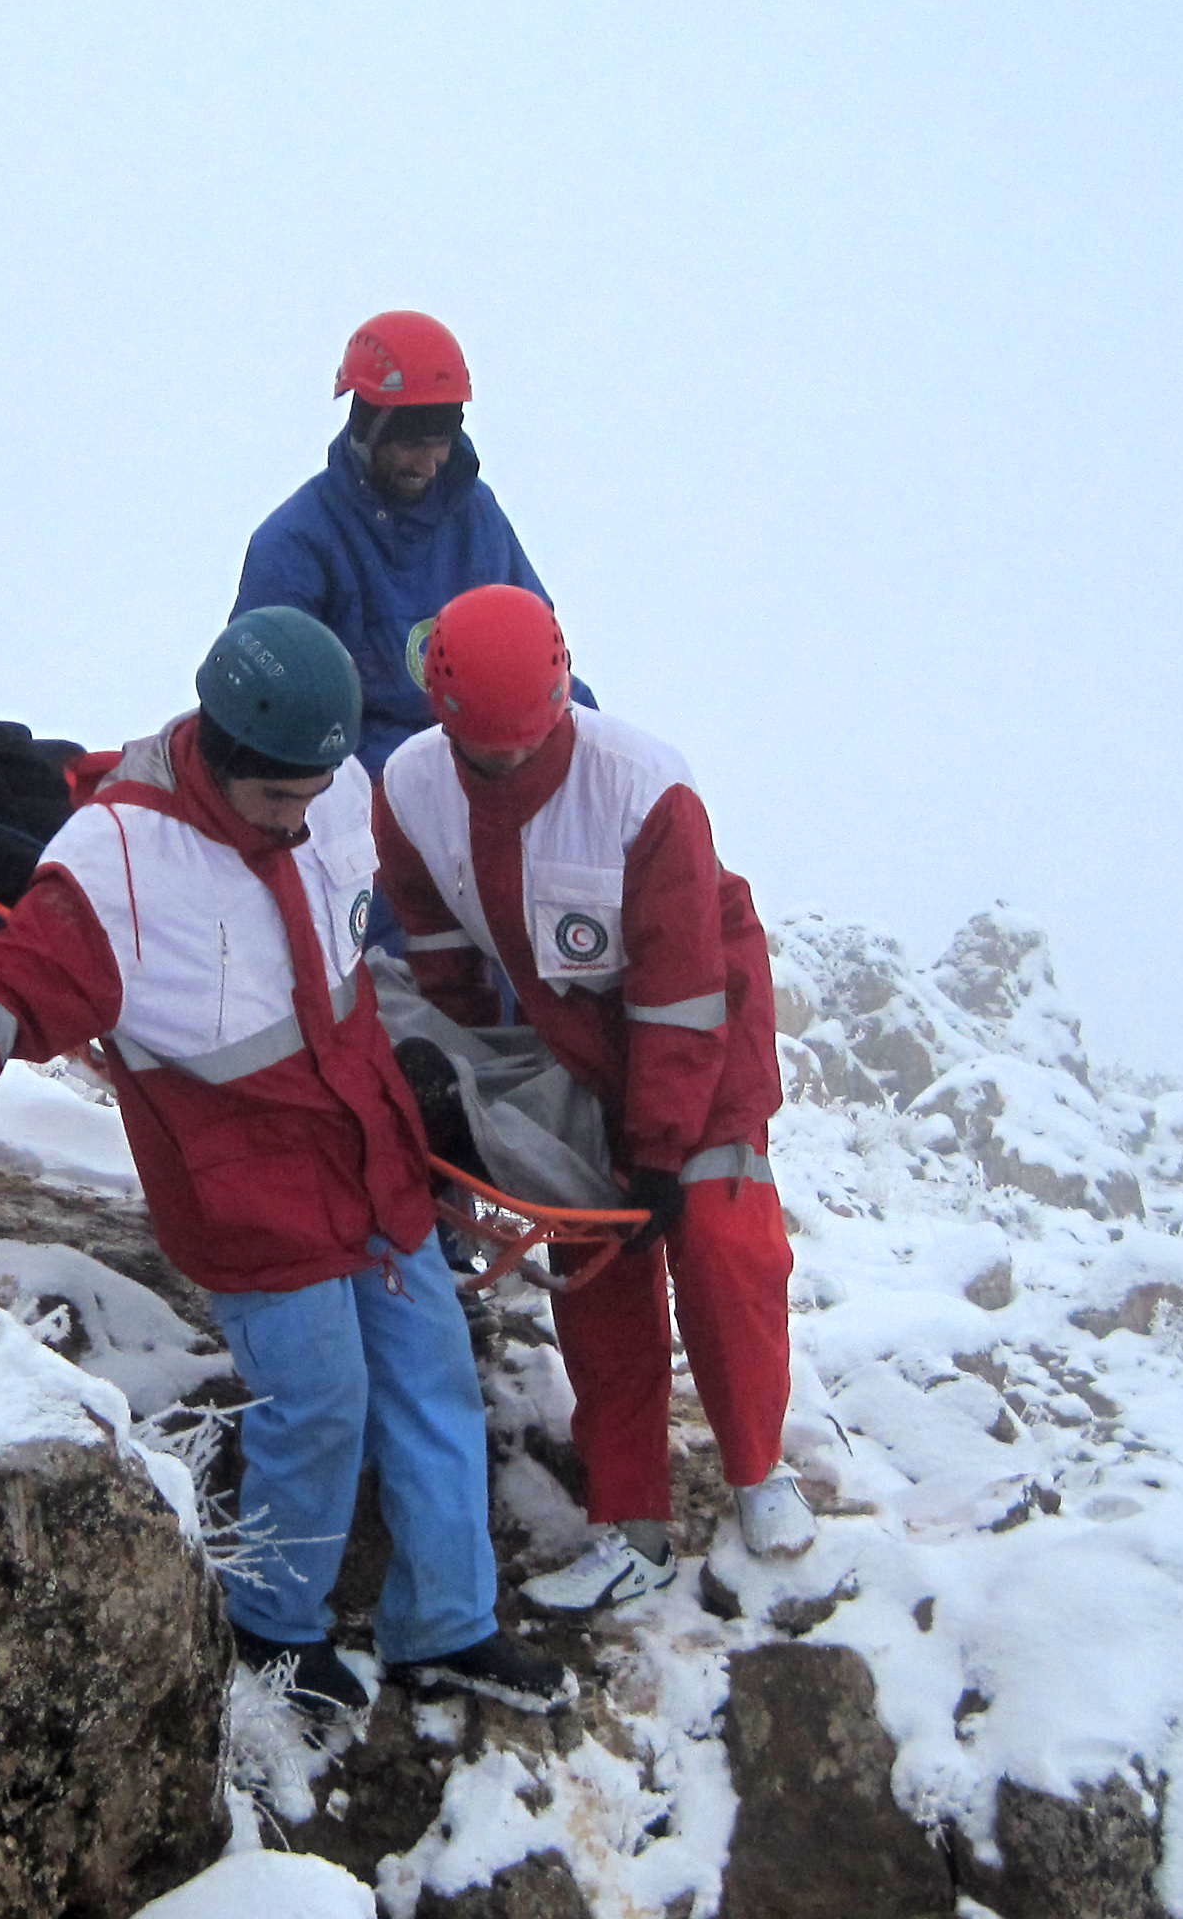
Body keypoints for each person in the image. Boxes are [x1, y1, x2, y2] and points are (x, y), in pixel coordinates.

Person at [0, 608, 574, 1717]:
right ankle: (275, 1626)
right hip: (246, 1188)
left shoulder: (329, 799)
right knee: (317, 1401)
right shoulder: (116, 863)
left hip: (369, 1154)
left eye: (317, 790)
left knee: (433, 1375)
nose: (304, 815)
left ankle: (448, 1626)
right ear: (221, 754)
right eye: (280, 796)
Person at [374, 585, 813, 1610]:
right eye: (491, 751)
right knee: (595, 1247)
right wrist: (477, 1075)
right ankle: (632, 1519)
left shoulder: (644, 791)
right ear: (445, 720)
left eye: (531, 744)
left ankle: (759, 1468)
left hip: (701, 1018)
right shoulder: (410, 788)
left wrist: (659, 1147)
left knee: (718, 1237)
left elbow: (679, 983)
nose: (514, 766)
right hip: (561, 1029)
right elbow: (437, 940)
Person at [233, 311, 575, 776]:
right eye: (412, 444)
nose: (431, 464)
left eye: (442, 443)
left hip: (488, 749)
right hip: (363, 785)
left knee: (604, 751)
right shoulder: (295, 543)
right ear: (367, 428)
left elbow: (540, 647)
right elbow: (263, 706)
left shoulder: (476, 514)